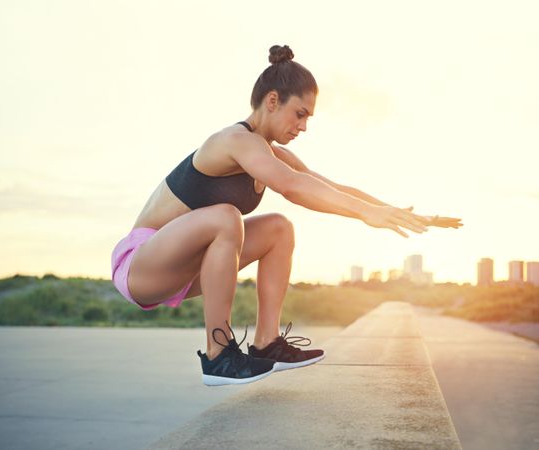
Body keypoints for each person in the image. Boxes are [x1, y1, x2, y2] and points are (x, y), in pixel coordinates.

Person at [110, 44, 463, 387]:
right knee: (225, 217)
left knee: (279, 228)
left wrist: (392, 212)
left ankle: (267, 342)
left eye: (308, 117)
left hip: (186, 268)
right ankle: (218, 355)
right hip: (141, 265)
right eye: (300, 114)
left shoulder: (271, 154)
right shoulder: (233, 140)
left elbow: (327, 186)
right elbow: (293, 187)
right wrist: (368, 214)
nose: (304, 126)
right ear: (273, 100)